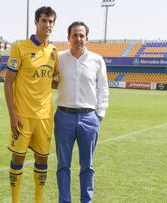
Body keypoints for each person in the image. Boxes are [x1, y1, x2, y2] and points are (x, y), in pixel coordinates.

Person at [4, 6, 58, 203]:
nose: (47, 25)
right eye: (44, 21)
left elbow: (53, 80)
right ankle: (15, 200)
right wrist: (12, 115)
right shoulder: (20, 47)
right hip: (23, 116)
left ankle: (38, 200)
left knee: (42, 159)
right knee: (18, 158)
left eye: (51, 21)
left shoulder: (53, 52)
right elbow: (8, 82)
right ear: (36, 22)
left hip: (44, 117)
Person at [54, 21, 109, 203]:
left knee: (87, 165)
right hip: (63, 116)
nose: (78, 39)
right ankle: (65, 200)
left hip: (89, 117)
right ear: (68, 37)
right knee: (63, 165)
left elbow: (103, 88)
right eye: (74, 35)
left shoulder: (97, 60)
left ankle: (86, 201)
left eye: (81, 35)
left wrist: (99, 115)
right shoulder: (59, 58)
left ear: (87, 38)